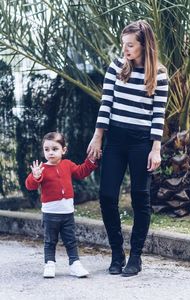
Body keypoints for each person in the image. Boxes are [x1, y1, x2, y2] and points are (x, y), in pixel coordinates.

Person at [87, 20, 168, 277]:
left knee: (140, 197)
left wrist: (156, 149)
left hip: (141, 142)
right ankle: (116, 253)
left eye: (130, 45)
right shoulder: (116, 67)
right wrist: (98, 137)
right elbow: (106, 104)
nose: (125, 50)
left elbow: (158, 115)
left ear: (145, 45)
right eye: (123, 44)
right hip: (116, 139)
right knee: (107, 195)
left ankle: (135, 257)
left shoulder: (159, 75)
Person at [25, 132, 97, 278]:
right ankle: (49, 264)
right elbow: (30, 186)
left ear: (64, 150)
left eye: (54, 149)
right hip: (50, 214)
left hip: (67, 213)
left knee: (71, 241)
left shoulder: (67, 165)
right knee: (50, 241)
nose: (50, 152)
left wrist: (90, 161)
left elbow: (81, 172)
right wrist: (35, 176)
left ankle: (75, 264)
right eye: (47, 149)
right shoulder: (42, 169)